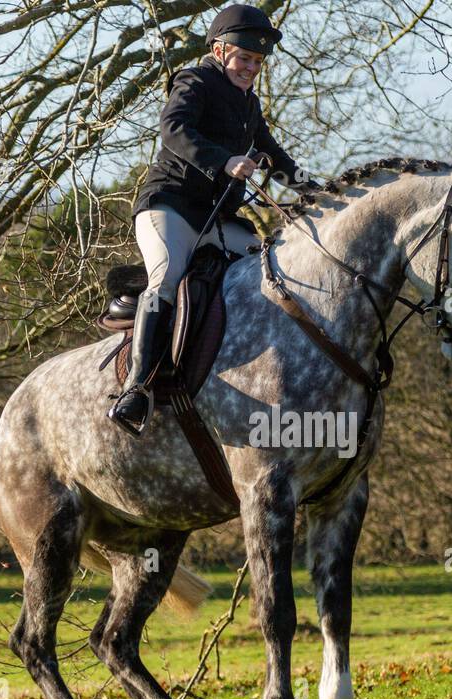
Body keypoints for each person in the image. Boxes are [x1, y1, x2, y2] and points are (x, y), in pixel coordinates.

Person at [110, 3, 316, 435]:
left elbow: (273, 154)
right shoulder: (194, 80)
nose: (251, 69)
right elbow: (173, 128)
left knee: (273, 274)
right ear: (221, 51)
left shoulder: (248, 103)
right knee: (165, 278)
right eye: (245, 59)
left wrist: (312, 190)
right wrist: (224, 161)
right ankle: (136, 389)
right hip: (169, 207)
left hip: (218, 218)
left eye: (258, 62)